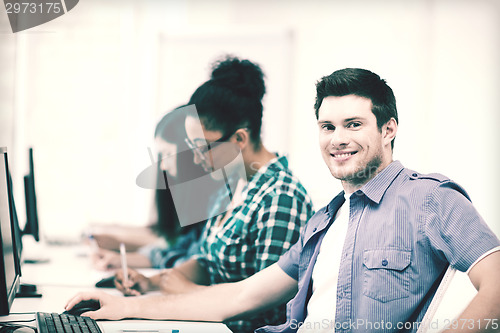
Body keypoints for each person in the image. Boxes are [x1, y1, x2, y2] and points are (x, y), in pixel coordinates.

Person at [67, 68, 500, 332]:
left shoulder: (428, 198)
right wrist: (126, 307)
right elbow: (236, 298)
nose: (338, 139)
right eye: (327, 127)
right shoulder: (326, 222)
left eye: (353, 124)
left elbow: (497, 286)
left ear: (388, 129)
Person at [108, 56, 314, 332]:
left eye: (203, 148)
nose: (195, 159)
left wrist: (187, 291)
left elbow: (268, 311)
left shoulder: (282, 198)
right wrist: (155, 282)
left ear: (239, 139)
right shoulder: (231, 183)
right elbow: (208, 261)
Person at [91, 106, 220, 270]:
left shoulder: (214, 202)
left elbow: (189, 261)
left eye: (167, 154)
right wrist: (121, 259)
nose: (163, 167)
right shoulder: (194, 202)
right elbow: (176, 247)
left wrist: (123, 251)